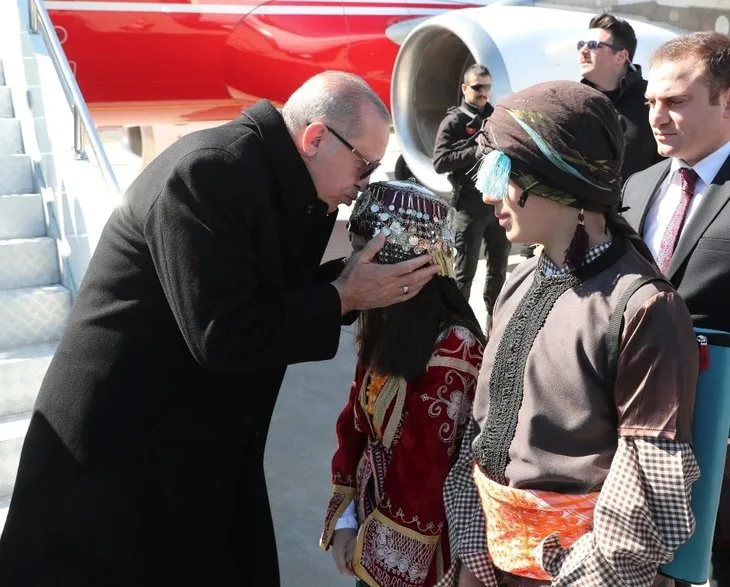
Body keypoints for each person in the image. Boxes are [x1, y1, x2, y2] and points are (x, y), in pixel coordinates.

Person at [0, 71, 442, 586]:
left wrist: (353, 288)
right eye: (363, 164)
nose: (364, 182)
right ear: (316, 137)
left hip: (197, 447)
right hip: (120, 452)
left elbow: (273, 300)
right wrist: (344, 294)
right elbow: (222, 334)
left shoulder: (275, 180)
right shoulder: (208, 172)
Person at [437, 80, 699, 587]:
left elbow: (647, 491)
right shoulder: (520, 279)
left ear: (556, 178)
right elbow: (483, 429)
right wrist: (475, 557)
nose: (491, 194)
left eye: (503, 172)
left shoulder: (646, 308)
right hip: (491, 561)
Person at [320, 180, 486, 586]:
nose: (351, 267)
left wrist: (374, 559)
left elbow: (423, 469)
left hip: (418, 549)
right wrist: (346, 519)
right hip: (371, 522)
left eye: (364, 252)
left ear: (404, 263)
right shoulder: (387, 321)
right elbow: (355, 420)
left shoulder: (454, 348)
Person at [621, 31, 730, 587]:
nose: (658, 117)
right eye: (651, 104)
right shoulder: (637, 187)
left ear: (727, 100)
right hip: (636, 435)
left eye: (676, 102)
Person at [433, 64, 510, 328]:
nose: (483, 93)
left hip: (497, 205)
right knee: (464, 273)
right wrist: (475, 150)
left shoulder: (496, 117)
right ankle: (457, 328)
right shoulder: (454, 122)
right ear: (465, 88)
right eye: (477, 87)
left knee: (498, 270)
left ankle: (494, 326)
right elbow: (440, 161)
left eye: (487, 87)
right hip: (468, 207)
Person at [579, 13, 662, 183]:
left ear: (621, 56)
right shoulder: (575, 101)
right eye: (581, 44)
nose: (583, 50)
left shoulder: (655, 100)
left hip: (638, 206)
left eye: (593, 45)